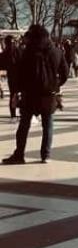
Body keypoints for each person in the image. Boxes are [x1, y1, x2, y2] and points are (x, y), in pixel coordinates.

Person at [3, 25, 69, 164]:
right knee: (48, 124)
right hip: (49, 93)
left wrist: (18, 90)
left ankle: (19, 154)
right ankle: (46, 154)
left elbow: (19, 74)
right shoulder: (57, 52)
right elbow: (65, 73)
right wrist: (55, 85)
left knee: (24, 125)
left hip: (30, 93)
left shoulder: (27, 52)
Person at [1, 37, 19, 119]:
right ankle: (22, 111)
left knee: (13, 94)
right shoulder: (18, 51)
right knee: (21, 94)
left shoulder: (5, 53)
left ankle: (13, 113)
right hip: (20, 75)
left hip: (11, 76)